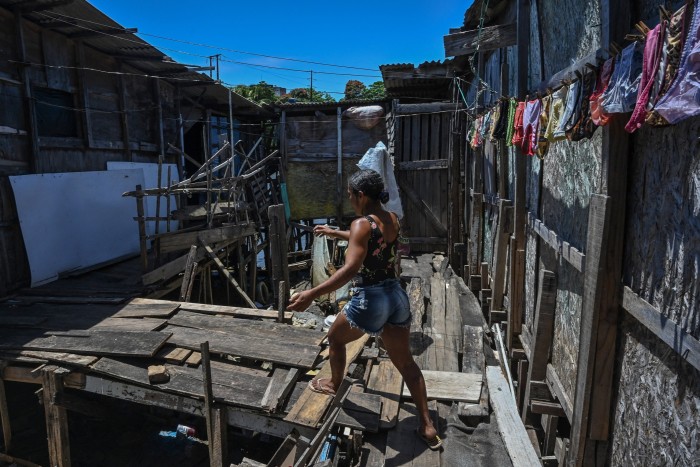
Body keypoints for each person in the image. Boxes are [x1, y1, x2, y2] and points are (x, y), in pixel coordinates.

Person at [287, 169, 442, 450]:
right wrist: (335, 232)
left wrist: (312, 293)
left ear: (361, 195)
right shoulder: (392, 217)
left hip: (372, 299)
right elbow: (370, 238)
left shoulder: (361, 224)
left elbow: (351, 268)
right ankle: (428, 425)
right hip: (396, 296)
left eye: (350, 196)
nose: (350, 200)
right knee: (406, 363)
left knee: (334, 337)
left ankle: (334, 383)